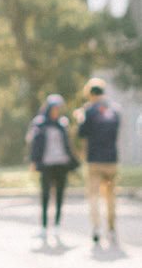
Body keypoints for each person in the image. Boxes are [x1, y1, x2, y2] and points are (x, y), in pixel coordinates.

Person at [76, 76, 121, 245]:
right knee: (110, 196)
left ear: (90, 94)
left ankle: (96, 228)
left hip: (94, 160)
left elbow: (82, 133)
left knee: (94, 196)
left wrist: (81, 117)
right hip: (111, 159)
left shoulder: (88, 111)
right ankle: (112, 228)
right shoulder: (115, 110)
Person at [26, 95, 78, 238]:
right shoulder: (40, 123)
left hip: (61, 164)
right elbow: (34, 145)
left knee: (60, 196)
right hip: (46, 165)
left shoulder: (63, 124)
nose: (56, 111)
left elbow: (68, 145)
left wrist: (73, 162)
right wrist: (34, 161)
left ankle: (57, 225)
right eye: (54, 108)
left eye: (58, 109)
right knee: (45, 196)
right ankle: (43, 226)